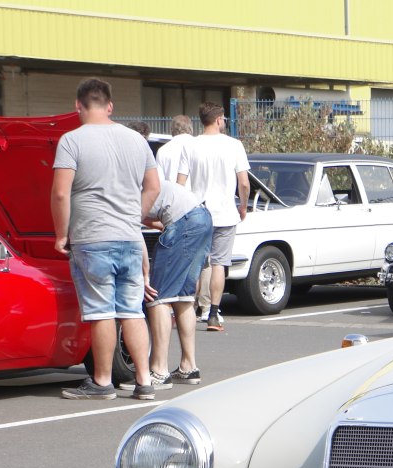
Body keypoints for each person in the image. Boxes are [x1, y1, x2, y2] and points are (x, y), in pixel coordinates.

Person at [51, 78, 159, 401]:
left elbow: (60, 193)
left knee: (100, 311)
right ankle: (144, 380)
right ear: (110, 105)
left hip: (92, 238)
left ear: (78, 106)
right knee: (132, 310)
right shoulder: (136, 140)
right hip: (129, 237)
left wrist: (60, 234)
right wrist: (131, 215)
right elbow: (153, 186)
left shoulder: (71, 141)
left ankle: (102, 381)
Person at [142, 175, 213, 386]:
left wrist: (145, 273)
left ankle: (158, 370)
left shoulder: (123, 189)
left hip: (184, 220)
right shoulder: (139, 181)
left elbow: (131, 229)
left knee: (157, 297)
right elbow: (149, 220)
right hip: (202, 217)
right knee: (183, 296)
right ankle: (188, 367)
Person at [183, 102, 248, 332]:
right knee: (220, 263)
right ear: (219, 119)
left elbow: (181, 183)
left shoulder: (190, 145)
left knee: (198, 263)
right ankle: (212, 314)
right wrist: (242, 206)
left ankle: (189, 311)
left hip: (197, 211)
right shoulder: (234, 145)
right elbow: (243, 182)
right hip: (225, 213)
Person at [156, 114, 195, 184]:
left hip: (172, 193)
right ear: (190, 128)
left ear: (172, 129)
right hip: (196, 193)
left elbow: (160, 182)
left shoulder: (162, 150)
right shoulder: (198, 145)